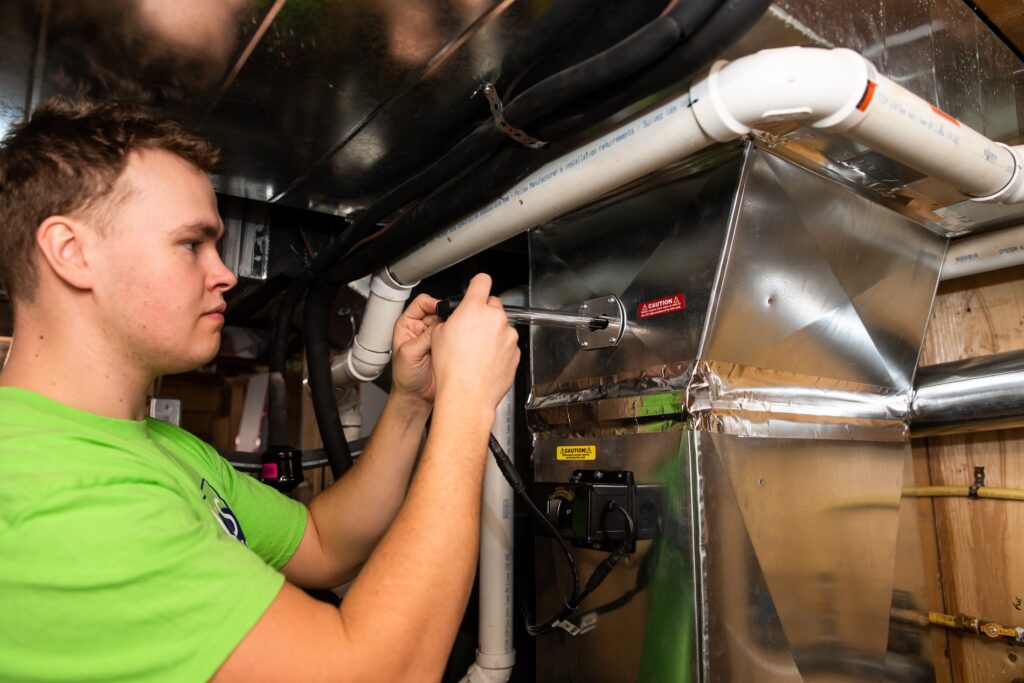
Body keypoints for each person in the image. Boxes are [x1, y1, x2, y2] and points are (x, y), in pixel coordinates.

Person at [0, 97, 520, 682]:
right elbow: (377, 674)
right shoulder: (53, 494)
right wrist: (468, 403)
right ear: (72, 253)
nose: (225, 273)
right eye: (191, 244)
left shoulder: (153, 446)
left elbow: (322, 544)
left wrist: (411, 404)